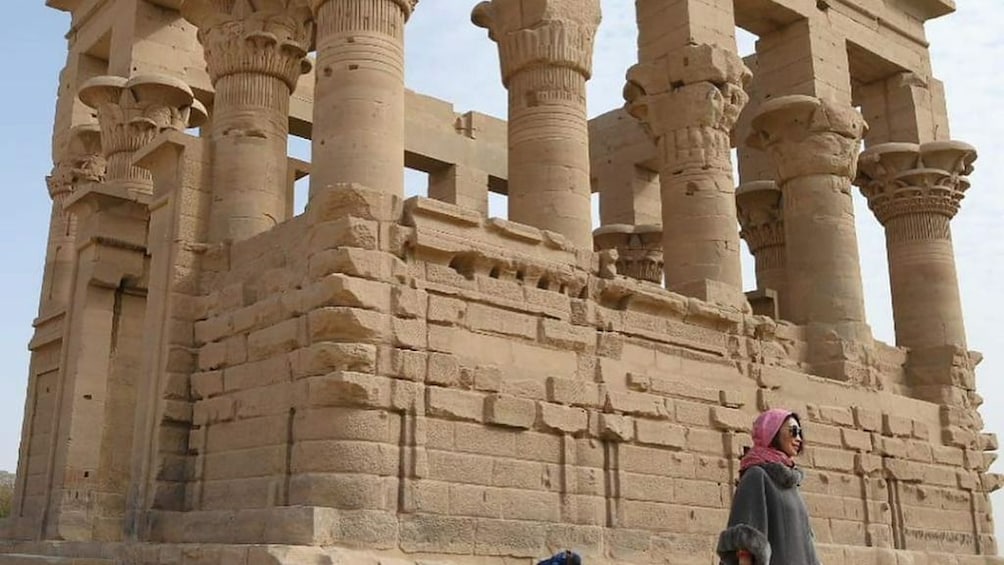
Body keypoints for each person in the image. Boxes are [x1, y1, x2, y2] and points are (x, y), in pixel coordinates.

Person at [716, 408, 820, 565]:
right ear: (772, 432)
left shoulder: (792, 485)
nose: (798, 438)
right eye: (793, 431)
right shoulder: (756, 476)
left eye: (800, 433)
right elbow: (745, 544)